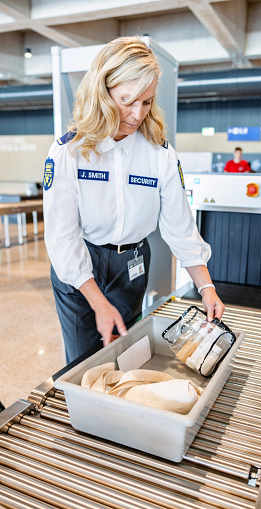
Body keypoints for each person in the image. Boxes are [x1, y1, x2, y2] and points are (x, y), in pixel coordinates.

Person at [43, 36, 224, 364]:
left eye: (146, 102)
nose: (137, 113)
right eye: (127, 100)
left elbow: (180, 227)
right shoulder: (69, 152)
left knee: (125, 356)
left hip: (132, 264)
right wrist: (98, 303)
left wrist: (206, 287)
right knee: (83, 361)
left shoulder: (160, 154)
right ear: (103, 91)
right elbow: (62, 236)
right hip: (80, 263)